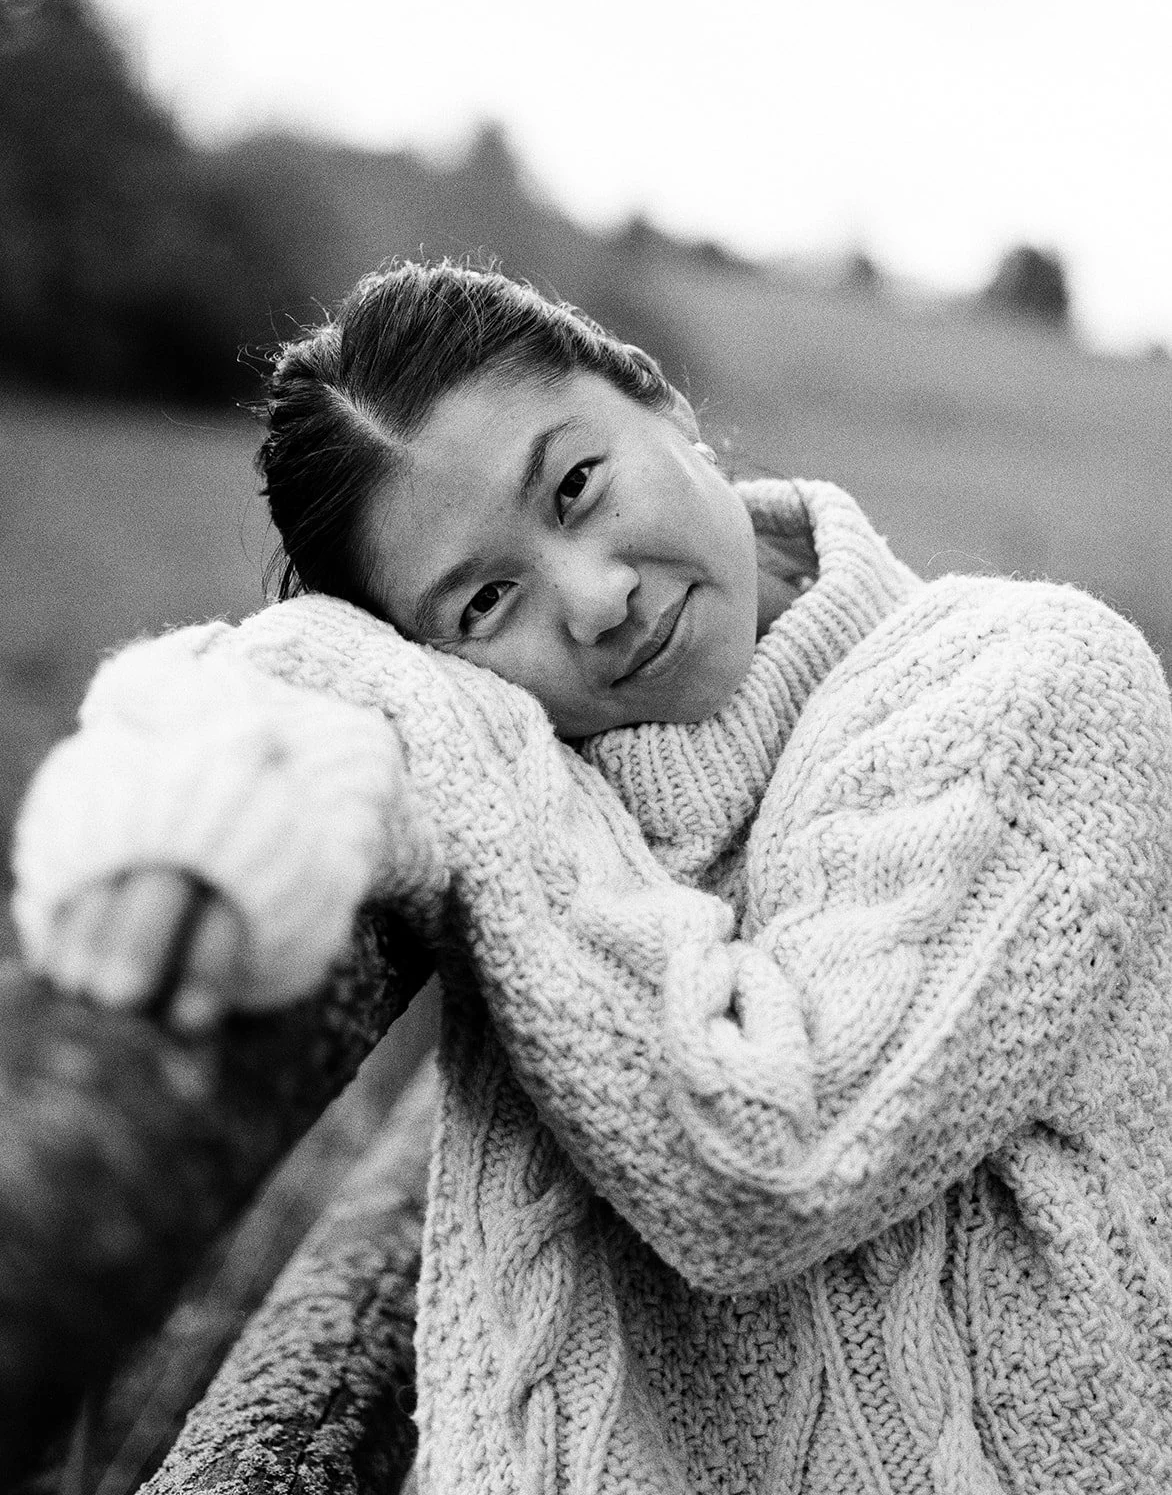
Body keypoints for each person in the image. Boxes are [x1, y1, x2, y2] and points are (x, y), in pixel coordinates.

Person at [11, 260, 1172, 1492]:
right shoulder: (529, 759)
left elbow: (766, 1149)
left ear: (658, 399)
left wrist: (442, 711)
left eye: (575, 485)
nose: (597, 597)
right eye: (484, 602)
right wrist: (190, 818)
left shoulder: (1030, 677)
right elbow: (282, 688)